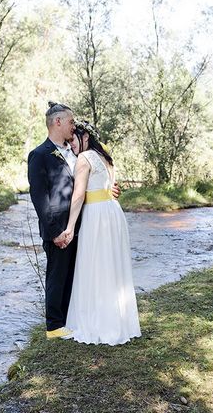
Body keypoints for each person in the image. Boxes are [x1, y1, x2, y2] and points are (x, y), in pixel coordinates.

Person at [58, 121, 141, 345]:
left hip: (97, 215)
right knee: (112, 266)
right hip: (112, 212)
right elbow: (107, 187)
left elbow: (78, 196)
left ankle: (99, 323)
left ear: (85, 137)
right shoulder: (104, 157)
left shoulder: (85, 159)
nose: (71, 145)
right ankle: (117, 321)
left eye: (73, 140)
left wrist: (70, 227)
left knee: (95, 266)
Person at [27, 102, 78, 339]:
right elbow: (40, 199)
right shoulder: (39, 155)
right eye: (70, 122)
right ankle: (54, 327)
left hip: (78, 225)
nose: (73, 127)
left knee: (73, 275)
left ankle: (69, 321)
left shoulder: (75, 152)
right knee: (57, 277)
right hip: (57, 229)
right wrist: (56, 231)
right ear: (57, 122)